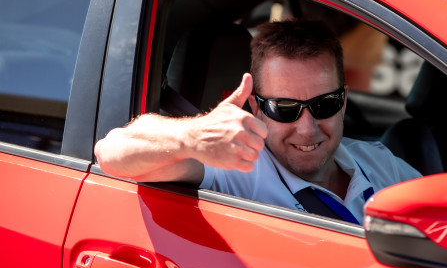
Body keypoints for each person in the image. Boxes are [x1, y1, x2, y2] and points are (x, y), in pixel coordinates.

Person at [94, 20, 421, 224]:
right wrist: (193, 137)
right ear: (256, 108)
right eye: (284, 109)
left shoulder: (380, 163)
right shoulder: (237, 168)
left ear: (344, 100)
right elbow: (111, 152)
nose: (307, 128)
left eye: (325, 105)